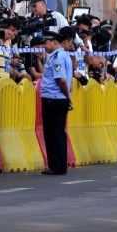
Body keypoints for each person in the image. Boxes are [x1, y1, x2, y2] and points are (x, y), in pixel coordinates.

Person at [39, 30, 73, 175]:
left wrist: (67, 96)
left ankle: (58, 166)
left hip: (54, 99)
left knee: (55, 134)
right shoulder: (58, 55)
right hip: (55, 98)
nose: (44, 46)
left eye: (46, 43)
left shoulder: (58, 57)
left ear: (55, 42)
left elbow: (62, 80)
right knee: (53, 133)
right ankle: (54, 165)